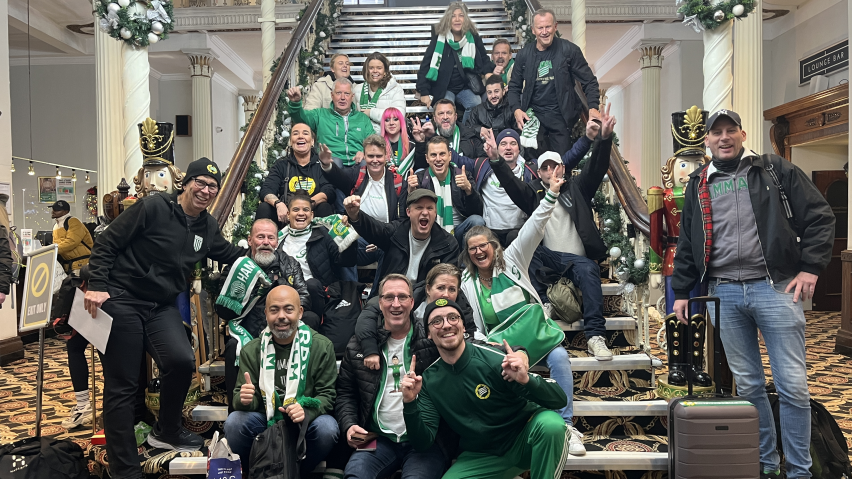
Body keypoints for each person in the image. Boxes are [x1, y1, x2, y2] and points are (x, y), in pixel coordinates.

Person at [671, 109, 836, 479]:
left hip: (774, 288)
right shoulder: (699, 183)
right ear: (707, 141)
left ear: (743, 134)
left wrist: (810, 268)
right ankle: (764, 464)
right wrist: (682, 290)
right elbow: (687, 242)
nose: (724, 137)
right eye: (717, 133)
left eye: (731, 130)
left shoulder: (773, 170)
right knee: (747, 385)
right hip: (723, 293)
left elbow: (820, 216)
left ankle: (798, 470)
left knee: (793, 385)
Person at [84, 158, 246, 478]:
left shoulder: (206, 226)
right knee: (123, 386)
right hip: (123, 299)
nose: (205, 190)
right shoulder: (154, 207)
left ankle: (168, 429)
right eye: (200, 182)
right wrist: (98, 286)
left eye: (212, 186)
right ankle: (124, 469)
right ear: (186, 183)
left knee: (181, 360)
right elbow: (107, 242)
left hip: (160, 306)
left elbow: (229, 255)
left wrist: (264, 253)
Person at [457, 174, 585, 456]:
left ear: (494, 246)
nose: (479, 251)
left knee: (561, 357)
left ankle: (566, 426)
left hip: (537, 337)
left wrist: (551, 194)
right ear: (468, 254)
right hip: (501, 347)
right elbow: (474, 326)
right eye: (472, 248)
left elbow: (535, 226)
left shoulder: (513, 259)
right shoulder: (467, 283)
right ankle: (515, 430)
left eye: (483, 245)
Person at [489, 106, 615, 361]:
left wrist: (604, 138)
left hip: (575, 260)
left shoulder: (579, 187)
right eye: (545, 168)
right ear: (540, 173)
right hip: (547, 260)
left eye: (554, 166)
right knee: (517, 238)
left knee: (590, 271)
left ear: (563, 168)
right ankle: (544, 301)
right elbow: (512, 186)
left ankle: (595, 336)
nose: (551, 171)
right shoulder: (534, 194)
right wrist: (495, 160)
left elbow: (597, 167)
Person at [401, 299, 569, 479]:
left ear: (463, 326)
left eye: (453, 318)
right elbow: (423, 443)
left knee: (552, 426)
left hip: (524, 440)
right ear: (428, 333)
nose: (446, 325)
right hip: (481, 455)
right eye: (437, 321)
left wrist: (526, 380)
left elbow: (559, 400)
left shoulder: (494, 359)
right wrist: (410, 404)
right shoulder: (429, 380)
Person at [336, 274, 450, 479]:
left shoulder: (432, 338)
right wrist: (349, 424)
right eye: (389, 297)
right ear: (380, 303)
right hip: (376, 438)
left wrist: (518, 351)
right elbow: (346, 392)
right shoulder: (358, 344)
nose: (395, 304)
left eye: (402, 297)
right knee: (354, 475)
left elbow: (466, 347)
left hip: (425, 442)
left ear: (412, 302)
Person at [224, 285, 339, 475]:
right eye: (274, 310)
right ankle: (256, 472)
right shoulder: (252, 350)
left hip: (303, 422)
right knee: (234, 422)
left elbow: (327, 395)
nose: (281, 316)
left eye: (288, 309)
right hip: (266, 421)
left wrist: (307, 410)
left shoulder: (321, 346)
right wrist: (245, 399)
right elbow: (238, 398)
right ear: (266, 314)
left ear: (300, 312)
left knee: (327, 428)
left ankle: (298, 473)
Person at [216, 219, 316, 400]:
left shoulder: (290, 264)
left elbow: (304, 298)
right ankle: (236, 408)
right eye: (260, 237)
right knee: (232, 348)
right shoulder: (236, 266)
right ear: (250, 240)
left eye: (271, 238)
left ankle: (298, 401)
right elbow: (224, 310)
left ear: (277, 241)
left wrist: (282, 301)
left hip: (281, 328)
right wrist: (252, 289)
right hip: (248, 330)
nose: (266, 242)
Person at [355, 263, 479, 373]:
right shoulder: (404, 298)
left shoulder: (462, 309)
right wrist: (370, 348)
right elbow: (367, 317)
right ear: (428, 289)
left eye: (452, 289)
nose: (446, 294)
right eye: (440, 288)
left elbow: (468, 338)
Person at [508, 9, 600, 155]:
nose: (544, 31)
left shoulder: (569, 50)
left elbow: (589, 81)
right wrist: (517, 110)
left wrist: (593, 107)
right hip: (534, 119)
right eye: (540, 28)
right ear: (533, 30)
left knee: (562, 166)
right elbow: (514, 87)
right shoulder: (524, 55)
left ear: (555, 26)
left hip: (561, 119)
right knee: (535, 167)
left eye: (548, 27)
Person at [319, 135, 407, 285]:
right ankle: (351, 294)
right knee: (343, 243)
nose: (375, 160)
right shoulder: (357, 175)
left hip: (385, 237)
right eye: (370, 156)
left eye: (379, 156)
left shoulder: (397, 182)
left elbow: (402, 221)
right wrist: (327, 164)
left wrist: (380, 239)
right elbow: (339, 178)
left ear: (386, 156)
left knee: (393, 248)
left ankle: (377, 297)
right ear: (364, 156)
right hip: (358, 239)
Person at [343, 189, 460, 296]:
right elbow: (375, 228)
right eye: (419, 208)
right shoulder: (395, 232)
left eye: (430, 208)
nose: (425, 212)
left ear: (435, 213)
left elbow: (448, 283)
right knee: (366, 318)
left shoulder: (448, 244)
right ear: (408, 212)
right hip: (390, 296)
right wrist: (355, 215)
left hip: (426, 300)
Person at [278, 190, 358, 316]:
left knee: (312, 285)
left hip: (317, 296)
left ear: (312, 214)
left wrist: (350, 240)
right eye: (296, 210)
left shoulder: (323, 234)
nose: (301, 213)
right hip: (286, 295)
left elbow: (347, 261)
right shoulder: (278, 241)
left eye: (305, 210)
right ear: (288, 214)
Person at [417, 2, 497, 124]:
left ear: (466, 19)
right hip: (444, 87)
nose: (457, 19)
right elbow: (426, 64)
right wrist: (424, 91)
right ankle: (449, 135)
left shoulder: (473, 37)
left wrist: (488, 73)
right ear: (448, 19)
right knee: (445, 109)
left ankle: (464, 132)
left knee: (476, 103)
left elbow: (483, 57)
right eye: (453, 16)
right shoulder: (440, 38)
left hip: (465, 86)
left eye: (461, 15)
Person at [409, 136, 484, 246]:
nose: (438, 159)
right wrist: (411, 193)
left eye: (442, 154)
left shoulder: (463, 175)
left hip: (457, 230)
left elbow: (478, 212)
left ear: (450, 156)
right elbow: (408, 215)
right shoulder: (419, 178)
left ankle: (464, 262)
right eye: (433, 155)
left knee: (477, 221)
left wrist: (469, 190)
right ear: (427, 158)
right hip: (430, 230)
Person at [257, 122, 336, 223]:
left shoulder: (321, 164)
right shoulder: (281, 164)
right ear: (290, 141)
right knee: (264, 208)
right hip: (286, 212)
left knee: (325, 207)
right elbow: (267, 191)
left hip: (313, 209)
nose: (300, 136)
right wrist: (278, 204)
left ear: (312, 141)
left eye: (305, 133)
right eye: (295, 133)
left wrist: (305, 207)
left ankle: (323, 239)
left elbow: (329, 191)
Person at [287, 80, 374, 169]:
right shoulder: (320, 115)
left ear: (352, 97)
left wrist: (365, 152)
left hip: (357, 162)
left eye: (347, 94)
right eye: (338, 93)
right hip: (331, 164)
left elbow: (373, 142)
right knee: (335, 162)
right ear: (332, 95)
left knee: (366, 163)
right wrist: (295, 103)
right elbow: (301, 119)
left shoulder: (362, 118)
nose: (343, 97)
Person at [411, 100, 485, 173]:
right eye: (441, 113)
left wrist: (434, 136)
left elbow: (478, 165)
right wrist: (421, 143)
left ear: (455, 116)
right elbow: (421, 166)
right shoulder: (427, 135)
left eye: (449, 113)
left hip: (464, 179)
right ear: (435, 118)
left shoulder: (470, 134)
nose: (445, 117)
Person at [354, 52, 407, 134]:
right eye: (371, 68)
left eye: (379, 68)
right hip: (363, 138)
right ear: (366, 70)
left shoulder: (395, 89)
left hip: (388, 138)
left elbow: (399, 115)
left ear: (385, 71)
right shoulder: (358, 89)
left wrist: (371, 112)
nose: (375, 71)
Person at [464, 75, 516, 141]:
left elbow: (519, 134)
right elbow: (466, 129)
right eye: (489, 92)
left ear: (503, 91)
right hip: (483, 149)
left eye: (496, 91)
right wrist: (479, 129)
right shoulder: (477, 110)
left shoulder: (512, 110)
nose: (493, 96)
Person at [50, 199, 94, 275]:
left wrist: (52, 250)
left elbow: (71, 242)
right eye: (53, 209)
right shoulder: (56, 226)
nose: (53, 211)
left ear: (65, 212)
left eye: (57, 210)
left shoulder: (73, 221)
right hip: (68, 265)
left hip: (81, 264)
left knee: (79, 286)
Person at [381, 107, 416, 176]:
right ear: (383, 124)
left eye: (395, 119)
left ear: (401, 122)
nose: (391, 123)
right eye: (387, 120)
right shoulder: (379, 146)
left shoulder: (411, 145)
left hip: (406, 183)